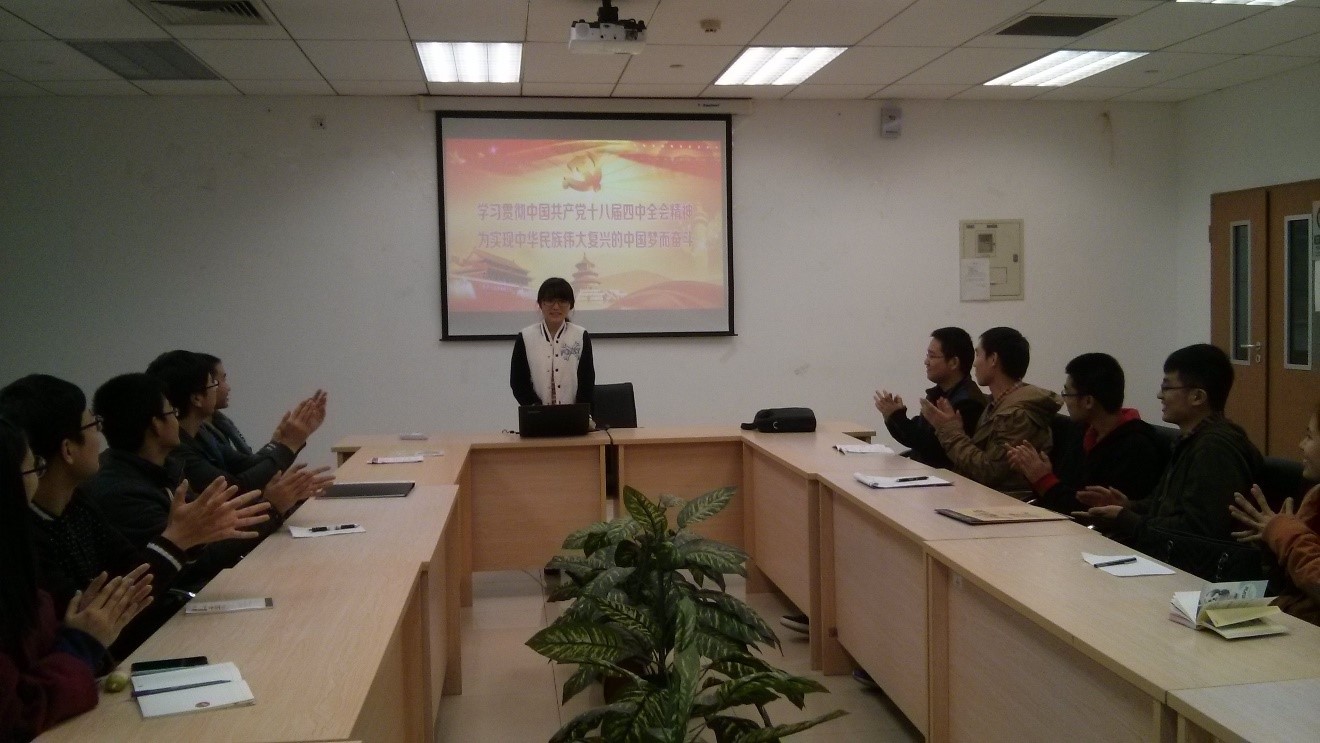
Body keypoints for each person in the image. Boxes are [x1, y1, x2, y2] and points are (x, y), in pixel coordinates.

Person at [0, 375, 270, 654]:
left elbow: (130, 569)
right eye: (93, 426)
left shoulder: (76, 503)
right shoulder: (24, 537)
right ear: (68, 450)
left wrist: (183, 540)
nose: (100, 438)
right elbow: (97, 614)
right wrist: (176, 541)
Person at [81, 373, 319, 590]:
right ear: (156, 425)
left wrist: (276, 496)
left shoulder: (166, 465)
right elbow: (197, 563)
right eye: (172, 413)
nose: (177, 421)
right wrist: (272, 507)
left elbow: (214, 529)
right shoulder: (123, 492)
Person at [0, 416, 153, 741]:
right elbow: (17, 716)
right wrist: (82, 642)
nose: (101, 436)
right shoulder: (32, 543)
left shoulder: (79, 504)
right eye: (34, 469)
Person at [1077, 344, 1263, 559]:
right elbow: (1163, 505)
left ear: (1197, 397)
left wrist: (1126, 518)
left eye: (1167, 388)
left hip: (1194, 569)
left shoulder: (1215, 449)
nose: (1159, 395)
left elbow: (1198, 532)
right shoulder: (1191, 439)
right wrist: (1127, 506)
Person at [146, 350, 328, 494]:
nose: (220, 388)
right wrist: (288, 445)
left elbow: (246, 465)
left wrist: (284, 442)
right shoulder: (176, 450)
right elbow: (235, 488)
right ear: (196, 398)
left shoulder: (202, 433)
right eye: (213, 384)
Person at [1006, 353, 1168, 514]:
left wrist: (1043, 479)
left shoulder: (1136, 446)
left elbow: (1089, 510)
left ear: (1088, 401)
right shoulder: (1082, 431)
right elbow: (1062, 493)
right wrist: (1038, 473)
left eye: (1067, 393)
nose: (1065, 401)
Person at [922, 326, 1061, 493]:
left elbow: (988, 472)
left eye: (979, 355)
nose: (974, 363)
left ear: (993, 359)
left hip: (1002, 501)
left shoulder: (1017, 415)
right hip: (980, 495)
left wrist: (950, 431)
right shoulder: (997, 404)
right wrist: (956, 430)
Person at [1230, 399, 1320, 625]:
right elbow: (1292, 587)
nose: (1301, 445)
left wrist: (1284, 533)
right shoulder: (1315, 498)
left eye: (1309, 436)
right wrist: (1272, 545)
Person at [874, 327, 988, 468]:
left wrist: (896, 417)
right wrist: (891, 416)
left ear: (953, 362)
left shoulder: (968, 402)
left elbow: (933, 448)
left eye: (932, 356)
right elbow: (916, 434)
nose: (926, 362)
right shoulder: (939, 393)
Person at [510, 277, 595, 409]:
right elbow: (518, 383)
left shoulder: (580, 335)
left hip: (573, 415)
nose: (556, 307)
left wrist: (578, 412)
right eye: (550, 301)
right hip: (537, 415)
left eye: (562, 301)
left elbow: (587, 382)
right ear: (540, 304)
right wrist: (536, 408)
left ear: (571, 305)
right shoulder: (526, 337)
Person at [196, 354, 251, 456]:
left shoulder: (223, 422)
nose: (228, 387)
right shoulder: (196, 437)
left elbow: (247, 461)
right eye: (223, 380)